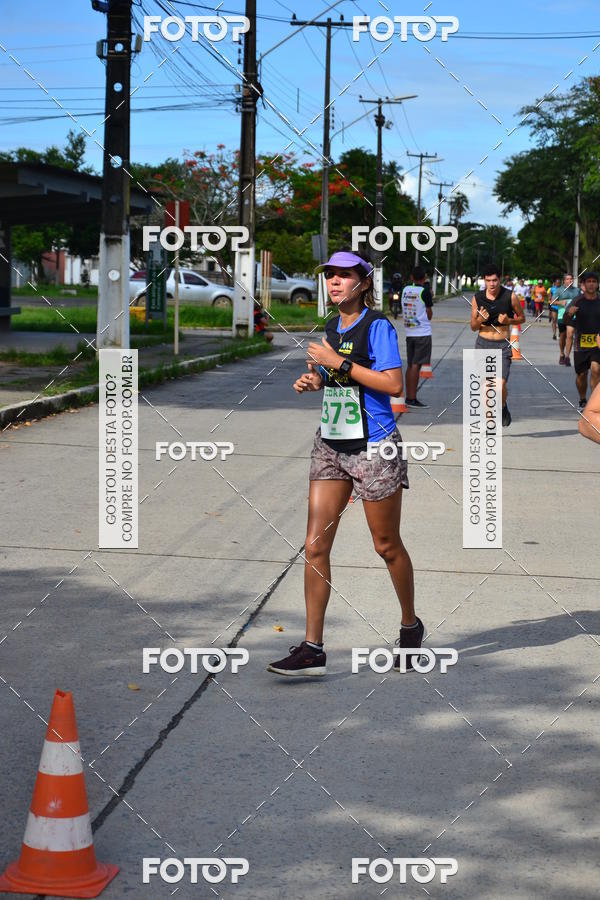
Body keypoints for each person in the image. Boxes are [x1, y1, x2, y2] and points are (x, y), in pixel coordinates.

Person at [267, 250, 423, 677]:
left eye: (343, 275)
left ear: (364, 283)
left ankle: (410, 626)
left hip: (375, 446)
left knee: (386, 545)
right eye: (329, 276)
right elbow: (331, 378)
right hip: (331, 444)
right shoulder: (331, 327)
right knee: (315, 544)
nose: (334, 282)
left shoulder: (378, 327)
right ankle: (313, 646)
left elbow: (393, 384)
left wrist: (340, 363)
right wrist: (314, 379)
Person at [470, 263, 525, 427]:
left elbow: (522, 318)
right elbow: (473, 327)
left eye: (495, 280)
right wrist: (479, 319)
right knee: (487, 388)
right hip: (483, 344)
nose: (492, 284)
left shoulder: (510, 296)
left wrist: (510, 320)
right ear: (484, 281)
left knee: (499, 385)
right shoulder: (477, 298)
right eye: (488, 281)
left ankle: (502, 406)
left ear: (499, 279)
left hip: (502, 346)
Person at [563, 271, 600, 409]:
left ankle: (594, 401)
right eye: (588, 282)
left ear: (597, 284)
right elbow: (565, 320)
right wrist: (569, 313)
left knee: (596, 369)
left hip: (598, 344)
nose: (591, 284)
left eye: (594, 281)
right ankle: (583, 398)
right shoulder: (577, 300)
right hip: (581, 344)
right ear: (583, 284)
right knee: (581, 375)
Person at [400, 265, 433, 409]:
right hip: (422, 333)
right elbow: (429, 313)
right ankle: (411, 398)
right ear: (424, 278)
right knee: (416, 365)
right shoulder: (424, 292)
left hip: (410, 332)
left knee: (411, 365)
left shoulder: (405, 290)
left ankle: (409, 396)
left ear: (412, 277)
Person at [556, 274, 579, 366]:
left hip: (572, 316)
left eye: (571, 279)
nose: (570, 280)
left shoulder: (577, 290)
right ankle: (562, 353)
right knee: (563, 336)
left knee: (570, 334)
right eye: (568, 279)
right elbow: (552, 301)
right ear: (564, 281)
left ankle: (567, 357)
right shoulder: (559, 290)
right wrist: (561, 302)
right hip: (562, 316)